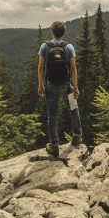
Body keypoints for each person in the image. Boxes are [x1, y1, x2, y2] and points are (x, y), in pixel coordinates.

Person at [37, 21, 82, 157]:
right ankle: (77, 136)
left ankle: (54, 145)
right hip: (66, 85)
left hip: (50, 86)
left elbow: (40, 67)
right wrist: (75, 88)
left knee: (52, 114)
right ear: (63, 32)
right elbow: (73, 68)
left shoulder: (45, 46)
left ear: (52, 31)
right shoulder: (68, 47)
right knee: (74, 108)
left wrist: (40, 85)